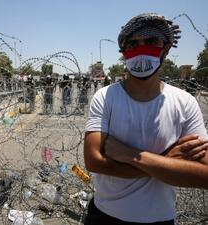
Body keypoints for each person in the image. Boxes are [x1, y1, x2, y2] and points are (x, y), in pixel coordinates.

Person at [84, 13, 208, 225]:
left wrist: (130, 155)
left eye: (151, 41)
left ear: (166, 48)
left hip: (158, 219)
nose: (141, 49)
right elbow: (94, 161)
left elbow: (204, 175)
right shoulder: (106, 97)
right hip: (104, 216)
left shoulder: (184, 103)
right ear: (123, 52)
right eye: (133, 44)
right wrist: (169, 160)